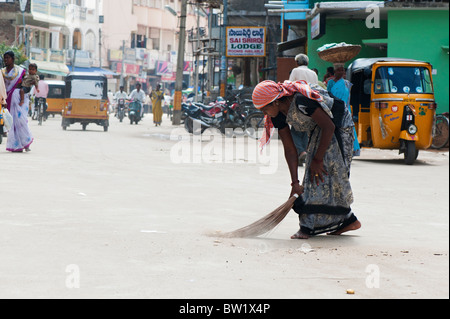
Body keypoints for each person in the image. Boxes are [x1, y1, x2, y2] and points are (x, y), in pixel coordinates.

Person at [252, 80, 361, 239]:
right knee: (315, 176)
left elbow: (329, 126)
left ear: (275, 102)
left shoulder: (302, 101)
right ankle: (348, 221)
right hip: (319, 129)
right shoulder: (277, 116)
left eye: (265, 108)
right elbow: (290, 149)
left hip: (338, 126)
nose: (265, 114)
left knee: (323, 175)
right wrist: (294, 183)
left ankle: (308, 227)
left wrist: (317, 160)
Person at [289, 54, 319, 167]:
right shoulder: (313, 73)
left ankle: (301, 152)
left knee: (295, 131)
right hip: (312, 104)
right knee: (306, 131)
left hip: (299, 103)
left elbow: (290, 87)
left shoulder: (295, 71)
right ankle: (304, 153)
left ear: (297, 62)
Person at [1, 51, 34, 152]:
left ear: (13, 59)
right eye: (5, 58)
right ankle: (17, 145)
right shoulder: (2, 72)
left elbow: (27, 85)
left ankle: (26, 142)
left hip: (20, 99)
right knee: (12, 123)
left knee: (21, 121)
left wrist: (21, 92)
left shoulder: (21, 71)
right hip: (8, 99)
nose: (6, 60)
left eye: (8, 58)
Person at [327, 64, 361, 157]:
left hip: (346, 109)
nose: (341, 72)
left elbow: (348, 97)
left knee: (348, 129)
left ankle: (350, 150)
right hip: (334, 109)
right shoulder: (330, 83)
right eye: (339, 70)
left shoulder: (346, 83)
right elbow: (328, 95)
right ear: (335, 72)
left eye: (342, 70)